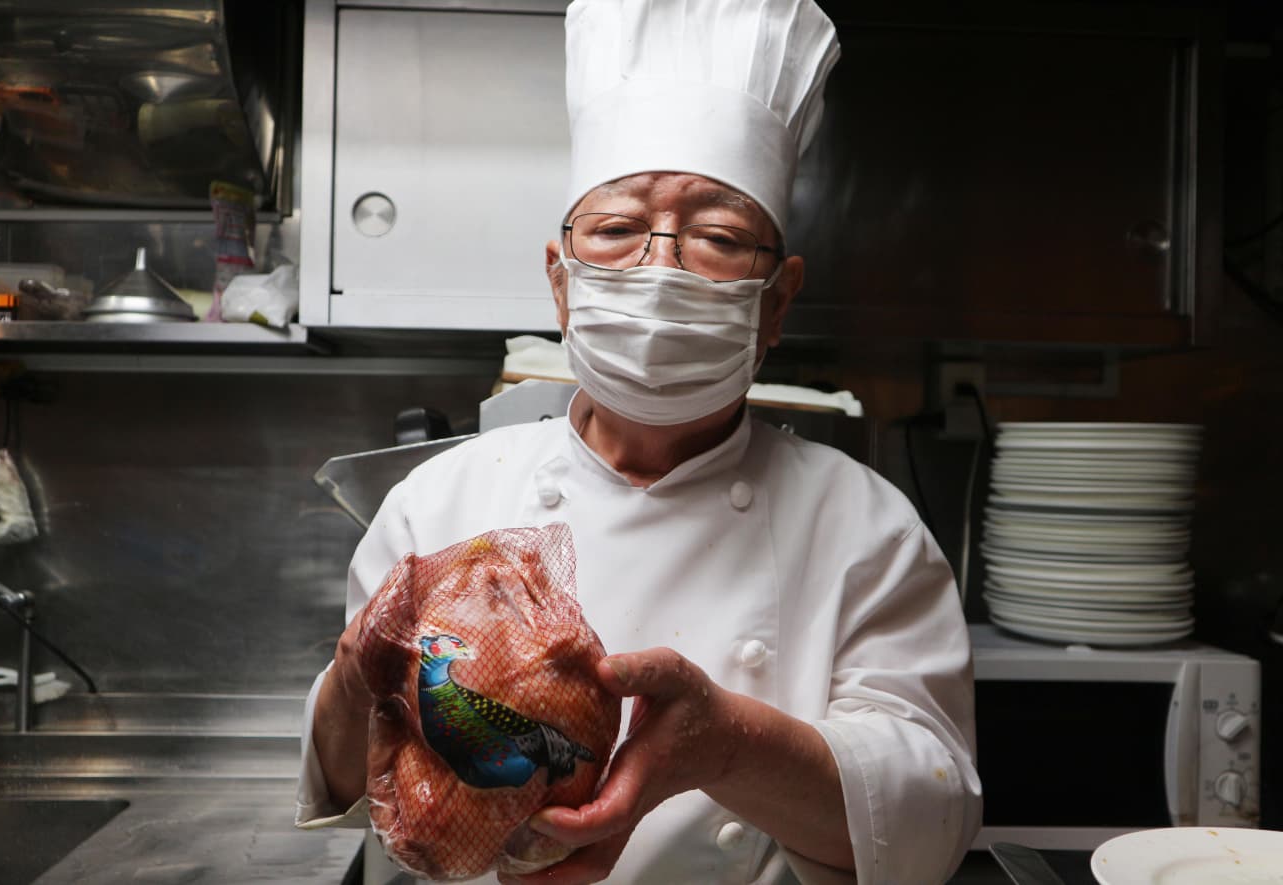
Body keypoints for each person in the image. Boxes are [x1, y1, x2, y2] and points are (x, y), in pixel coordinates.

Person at [296, 1, 983, 883]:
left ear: (777, 301)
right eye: (618, 229)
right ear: (560, 282)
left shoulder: (865, 528)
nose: (661, 270)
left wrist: (725, 749)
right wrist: (354, 681)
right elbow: (352, 784)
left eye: (720, 237)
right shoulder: (437, 505)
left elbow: (927, 820)